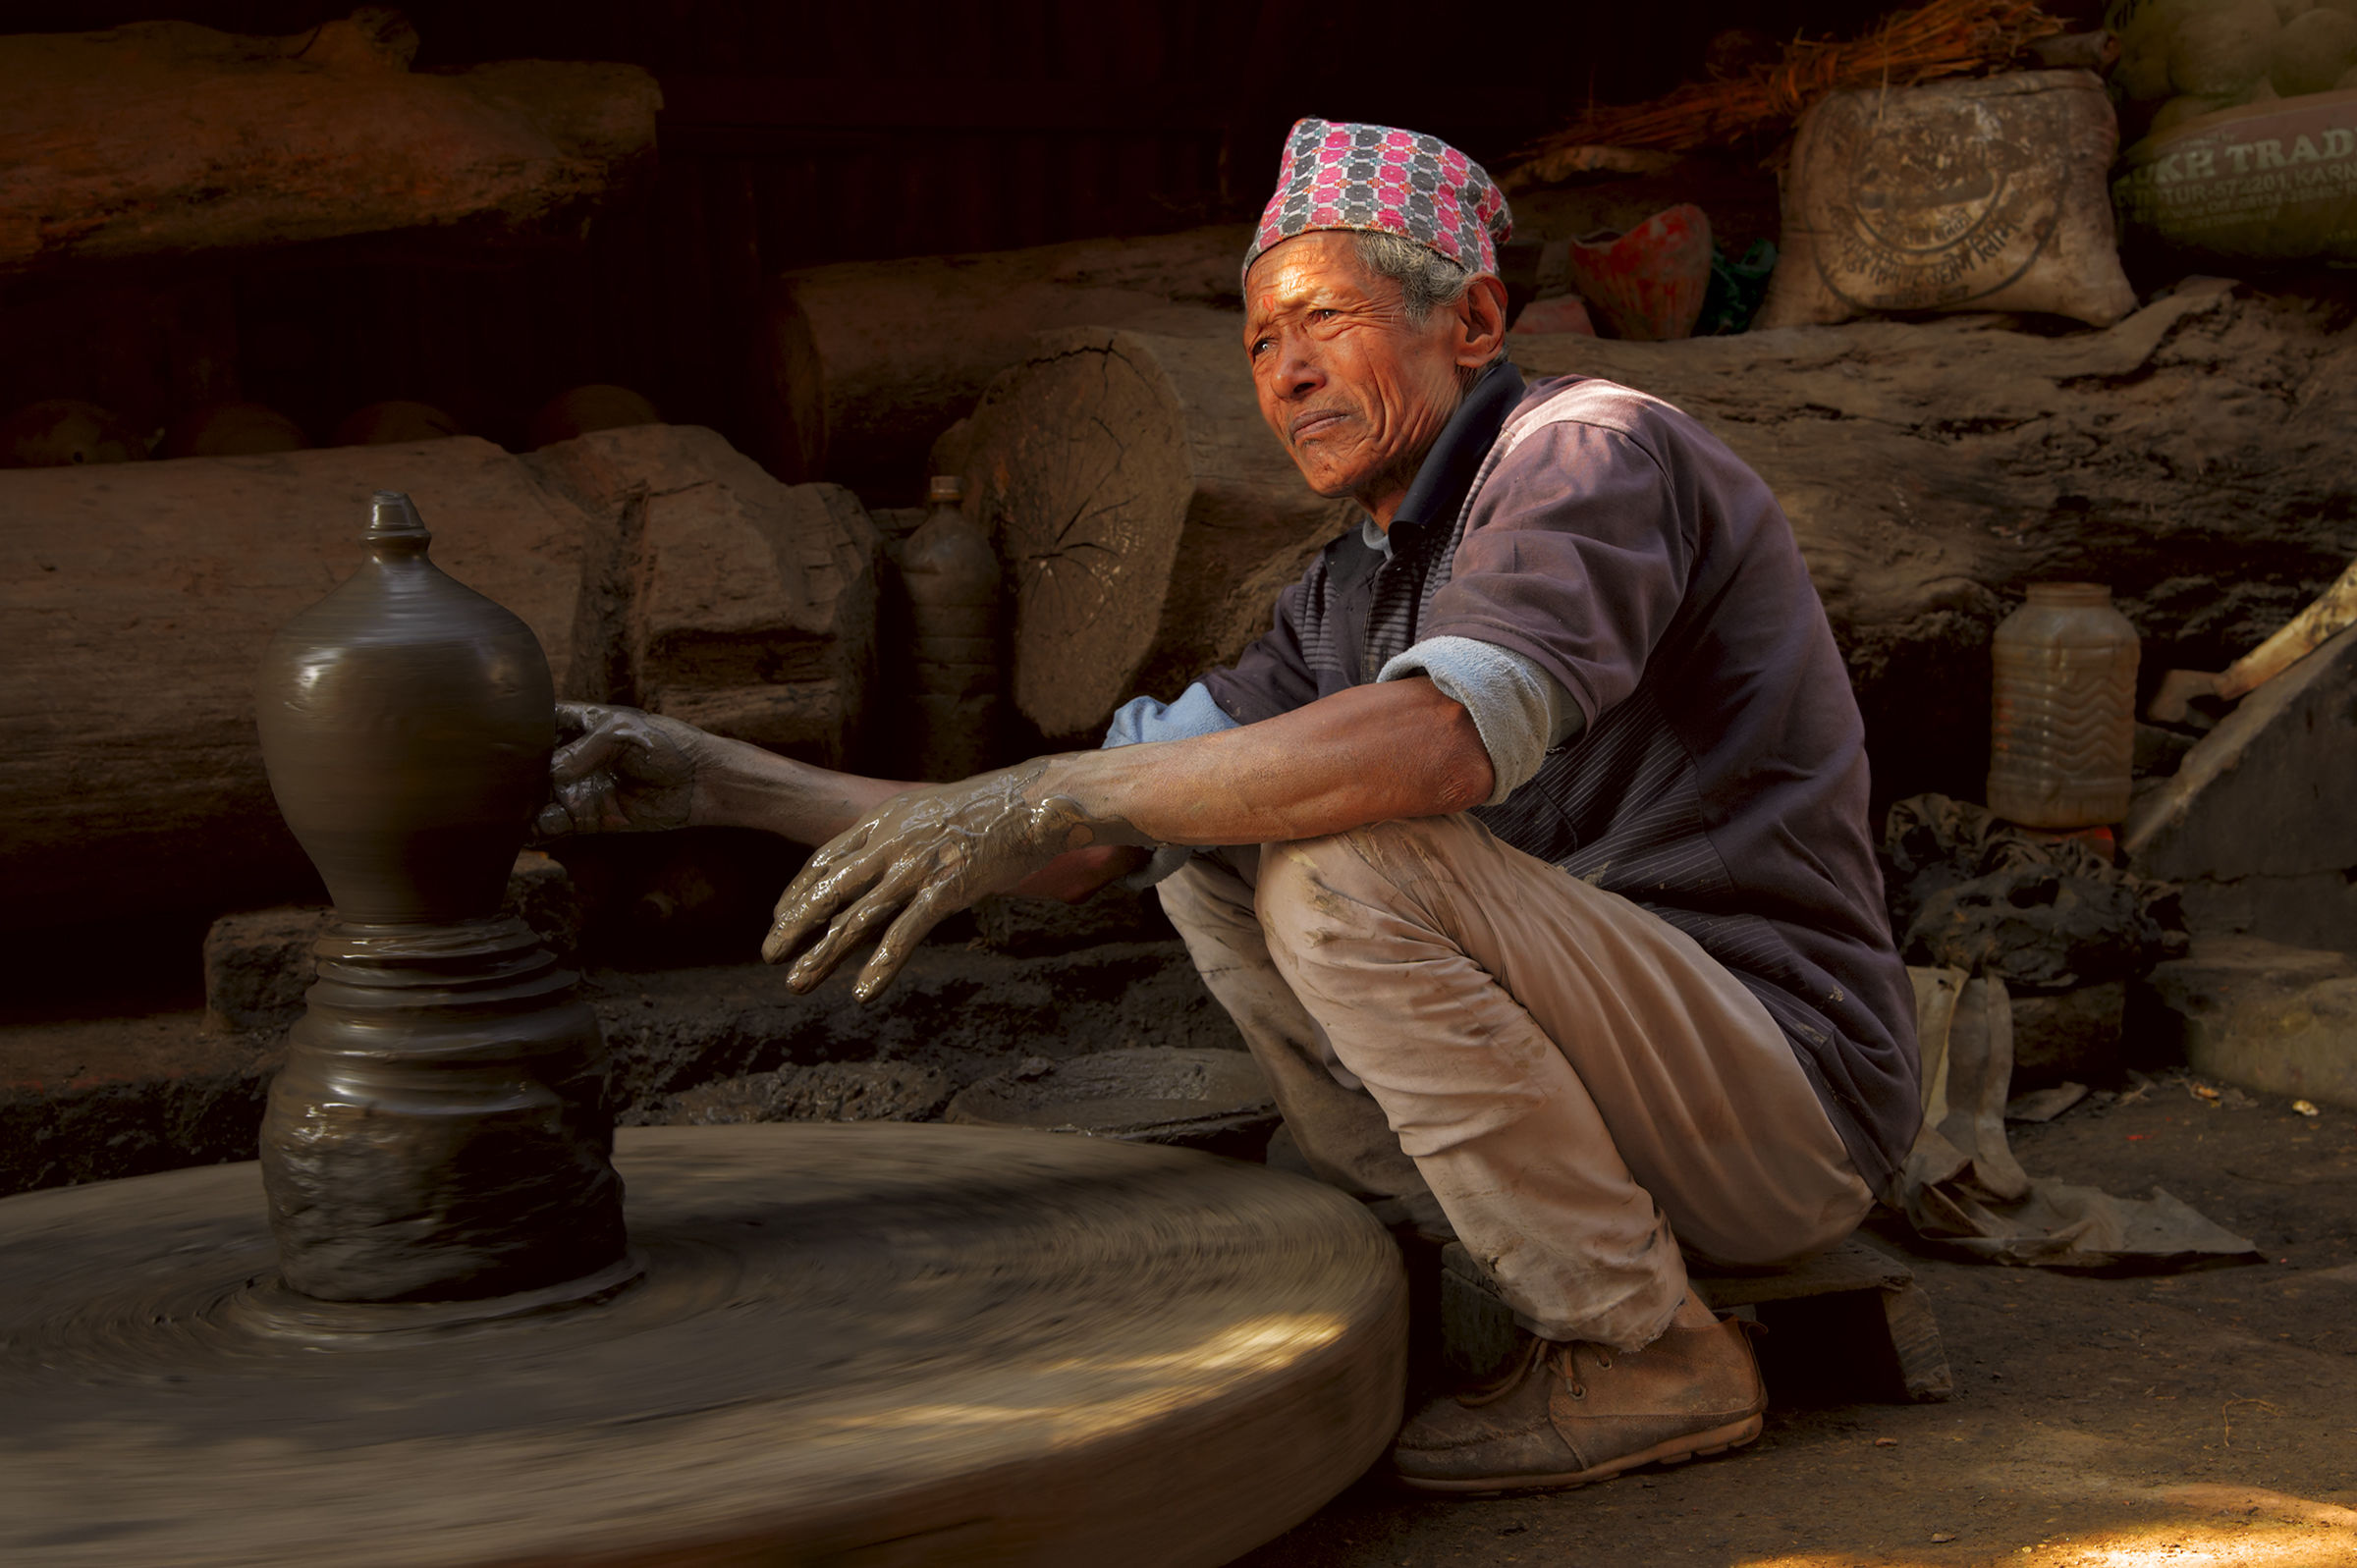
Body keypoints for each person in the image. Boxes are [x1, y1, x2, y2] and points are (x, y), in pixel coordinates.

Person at [542, 118, 1919, 1493]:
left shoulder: (1587, 455)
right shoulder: (1340, 591)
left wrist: (1061, 782)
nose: (1288, 372)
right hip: (1643, 1112)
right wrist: (728, 778)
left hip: (1785, 1106)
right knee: (1202, 838)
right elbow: (1082, 840)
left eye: (1325, 319)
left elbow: (1442, 743)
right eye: (1261, 342)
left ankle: (1646, 1347)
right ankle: (1430, 1229)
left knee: (1343, 863)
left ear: (1477, 319)